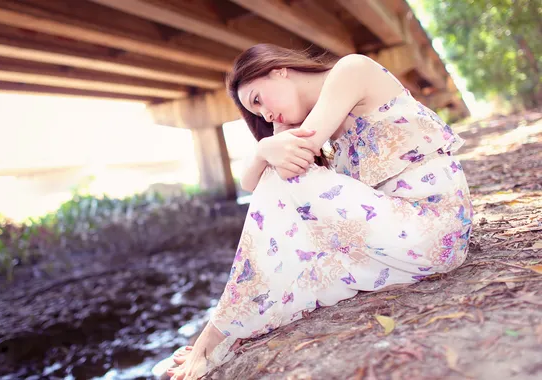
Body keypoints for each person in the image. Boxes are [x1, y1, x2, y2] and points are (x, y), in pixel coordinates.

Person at [167, 44, 473, 380]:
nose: (265, 115)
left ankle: (216, 332)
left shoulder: (351, 69)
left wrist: (265, 148)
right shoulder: (304, 124)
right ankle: (230, 330)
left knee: (286, 179)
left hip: (431, 228)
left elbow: (279, 169)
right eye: (258, 114)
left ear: (277, 69)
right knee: (301, 263)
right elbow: (252, 183)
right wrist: (266, 147)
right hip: (408, 242)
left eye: (258, 100)